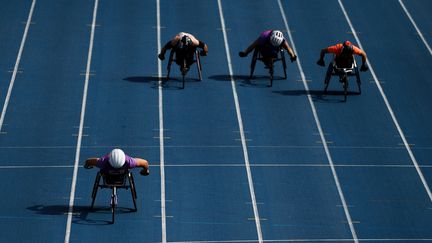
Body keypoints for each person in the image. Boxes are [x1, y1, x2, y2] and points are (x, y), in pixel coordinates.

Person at [84, 148, 149, 176]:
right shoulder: (129, 162)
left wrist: (87, 166)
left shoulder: (103, 162)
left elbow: (88, 161)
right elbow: (145, 163)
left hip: (108, 178)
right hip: (121, 178)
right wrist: (145, 171)